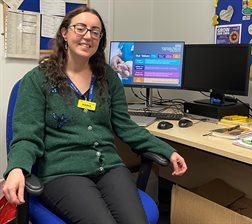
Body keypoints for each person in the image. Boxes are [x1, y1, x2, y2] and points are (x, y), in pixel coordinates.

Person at [3, 6, 187, 224]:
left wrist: (167, 150)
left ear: (100, 39)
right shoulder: (37, 79)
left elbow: (125, 126)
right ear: (64, 33)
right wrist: (16, 168)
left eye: (95, 31)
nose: (87, 36)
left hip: (109, 168)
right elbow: (26, 134)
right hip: (63, 171)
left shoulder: (108, 78)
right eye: (80, 28)